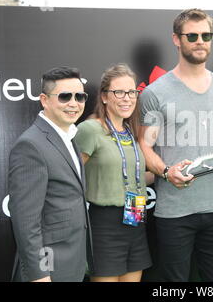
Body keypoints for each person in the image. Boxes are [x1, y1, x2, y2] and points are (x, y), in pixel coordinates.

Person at [139, 8, 213, 282]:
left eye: (206, 35)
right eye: (192, 35)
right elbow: (144, 146)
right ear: (177, 39)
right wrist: (166, 173)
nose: (200, 41)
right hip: (174, 212)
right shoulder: (156, 92)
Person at [8, 66, 93, 282]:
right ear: (44, 100)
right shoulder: (31, 145)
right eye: (65, 96)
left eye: (79, 96)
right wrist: (40, 275)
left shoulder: (69, 137)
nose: (74, 103)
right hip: (50, 269)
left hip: (71, 264)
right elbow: (26, 222)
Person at [75, 63, 153, 282]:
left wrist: (165, 173)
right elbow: (71, 175)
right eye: (119, 92)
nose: (127, 98)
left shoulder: (131, 131)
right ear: (104, 97)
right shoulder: (90, 129)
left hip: (135, 219)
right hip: (104, 226)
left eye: (131, 92)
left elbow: (134, 176)